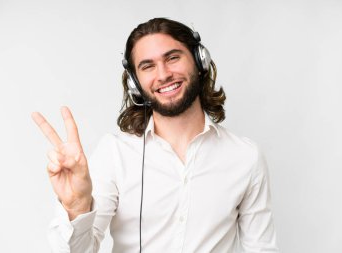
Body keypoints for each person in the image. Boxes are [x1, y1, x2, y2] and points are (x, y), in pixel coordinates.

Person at [32, 18, 279, 253]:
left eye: (172, 58)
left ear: (199, 61)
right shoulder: (114, 153)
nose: (163, 75)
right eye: (148, 66)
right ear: (134, 82)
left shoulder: (245, 157)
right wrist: (76, 208)